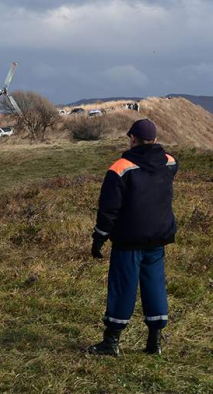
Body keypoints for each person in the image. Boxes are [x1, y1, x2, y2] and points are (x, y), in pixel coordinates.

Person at [89, 119, 178, 356]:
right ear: (156, 140)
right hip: (159, 237)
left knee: (123, 287)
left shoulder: (120, 168)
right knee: (155, 285)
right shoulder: (169, 162)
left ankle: (111, 342)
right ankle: (154, 341)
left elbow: (108, 209)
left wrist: (99, 238)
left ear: (132, 139)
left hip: (128, 240)